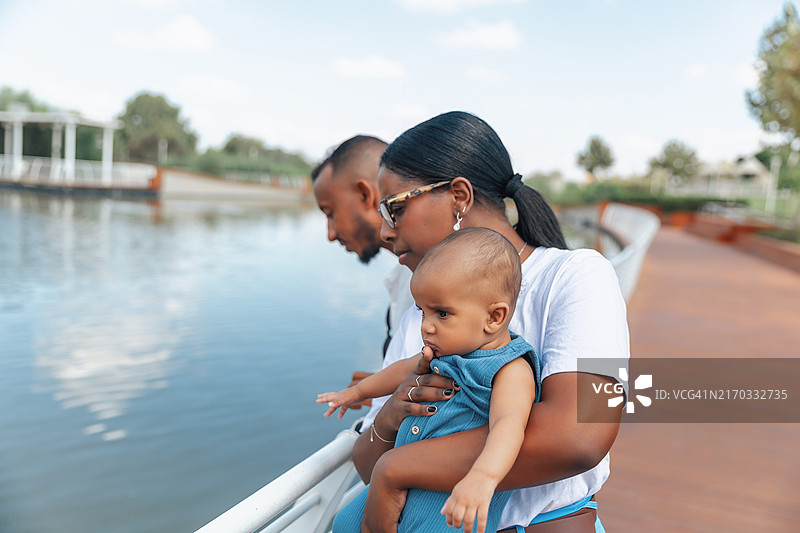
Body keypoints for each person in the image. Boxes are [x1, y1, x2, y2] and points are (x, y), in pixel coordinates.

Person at [348, 111, 630, 533]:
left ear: (458, 197)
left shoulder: (577, 276)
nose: (386, 231)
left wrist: (398, 467)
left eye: (395, 208)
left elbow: (580, 437)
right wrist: (391, 412)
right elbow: (366, 466)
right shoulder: (417, 317)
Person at [318, 228, 542, 533]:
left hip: (448, 507)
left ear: (495, 318)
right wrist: (357, 392)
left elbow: (508, 425)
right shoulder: (445, 352)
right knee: (344, 522)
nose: (427, 327)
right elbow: (399, 371)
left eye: (442, 314)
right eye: (423, 312)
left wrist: (483, 477)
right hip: (407, 489)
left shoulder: (510, 368)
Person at [312, 135, 416, 412]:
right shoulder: (404, 275)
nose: (331, 234)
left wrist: (390, 394)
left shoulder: (438, 276)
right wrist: (383, 388)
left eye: (330, 212)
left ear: (365, 195)